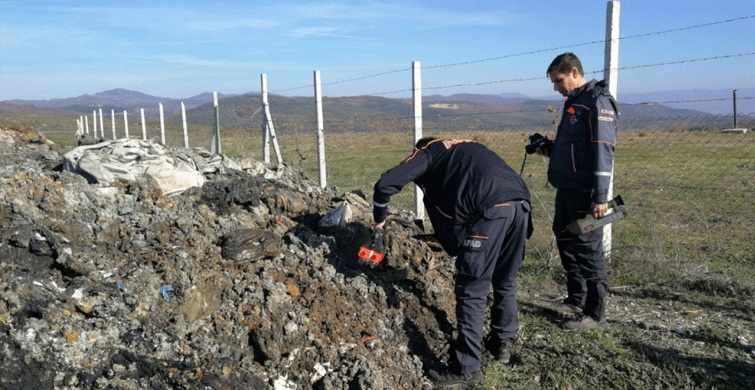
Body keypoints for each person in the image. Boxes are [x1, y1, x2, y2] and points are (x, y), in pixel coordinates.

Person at [372, 137, 531, 388]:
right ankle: (501, 344)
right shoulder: (464, 150)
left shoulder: (429, 151)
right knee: (505, 281)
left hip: (491, 209)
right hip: (520, 205)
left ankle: (466, 369)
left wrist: (378, 223)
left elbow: (384, 185)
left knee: (471, 290)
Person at [536, 52, 618, 331]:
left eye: (558, 81)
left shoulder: (597, 102)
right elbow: (573, 149)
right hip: (566, 188)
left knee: (588, 248)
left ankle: (595, 315)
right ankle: (576, 299)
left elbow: (603, 150)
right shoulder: (574, 102)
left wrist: (600, 197)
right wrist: (546, 147)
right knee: (565, 239)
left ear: (573, 72)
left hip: (586, 191)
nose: (556, 88)